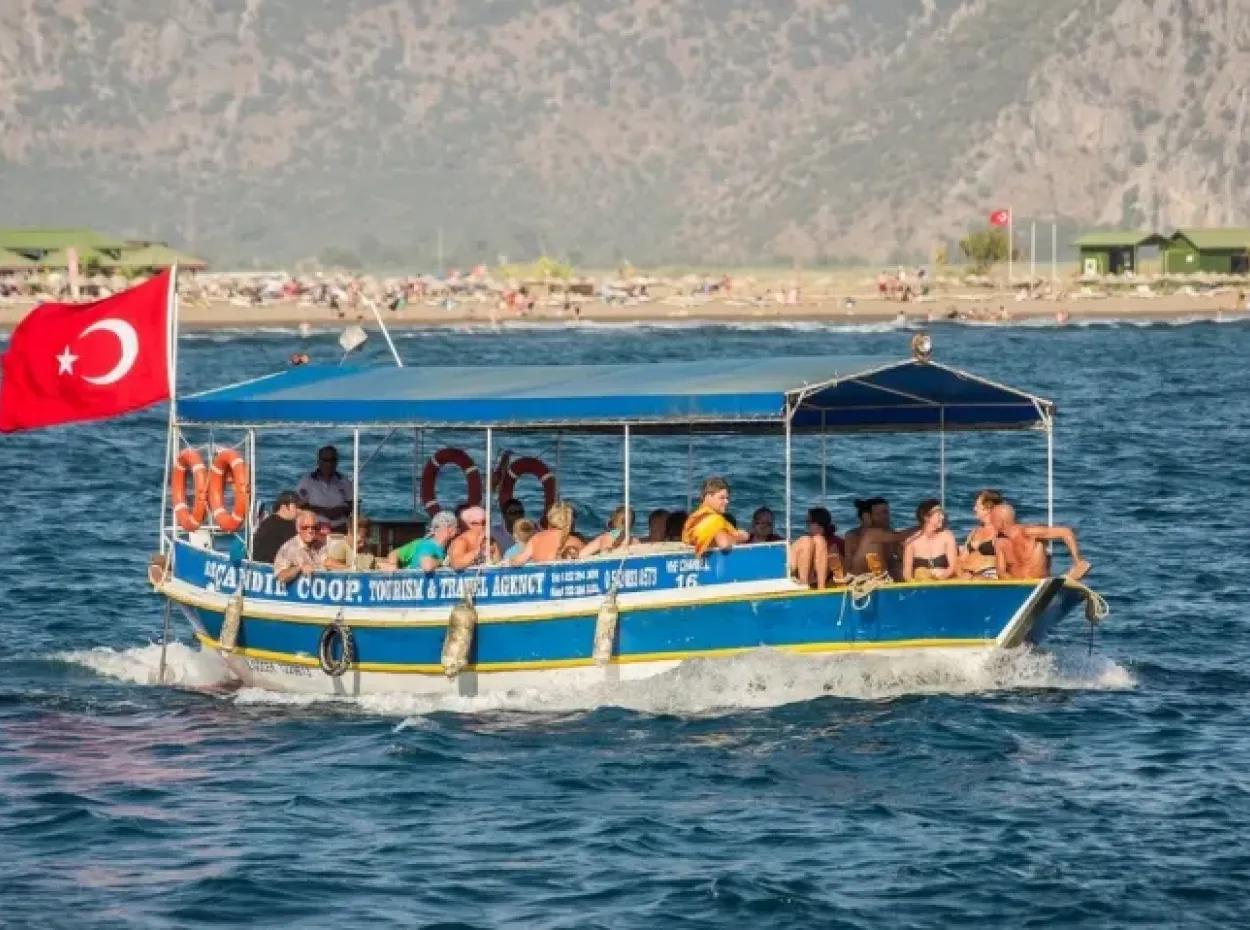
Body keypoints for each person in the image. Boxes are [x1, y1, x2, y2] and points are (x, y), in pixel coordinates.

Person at [993, 503, 1091, 581]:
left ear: (1000, 521)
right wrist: (1016, 583)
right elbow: (1001, 572)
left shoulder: (1028, 532)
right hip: (1020, 586)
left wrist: (1078, 561)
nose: (992, 523)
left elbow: (1066, 532)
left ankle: (1076, 570)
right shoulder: (1000, 543)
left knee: (1080, 567)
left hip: (1039, 583)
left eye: (993, 519)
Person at [682, 477, 749, 556]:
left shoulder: (696, 517)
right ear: (708, 496)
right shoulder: (714, 519)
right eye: (722, 498)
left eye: (727, 498)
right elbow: (724, 544)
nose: (727, 502)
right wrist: (741, 537)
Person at [296, 445, 354, 532]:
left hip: (340, 527)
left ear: (337, 462)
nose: (329, 464)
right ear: (318, 462)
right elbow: (299, 504)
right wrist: (323, 511)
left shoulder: (344, 481)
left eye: (332, 460)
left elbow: (352, 504)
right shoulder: (307, 481)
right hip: (316, 527)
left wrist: (340, 510)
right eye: (325, 460)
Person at [848, 498, 912, 576]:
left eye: (887, 512)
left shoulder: (888, 532)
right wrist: (924, 524)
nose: (885, 516)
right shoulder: (866, 534)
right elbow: (902, 536)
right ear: (867, 516)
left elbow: (899, 554)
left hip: (883, 574)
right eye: (879, 514)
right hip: (862, 578)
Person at [903, 499, 958, 581]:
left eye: (942, 514)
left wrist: (938, 579)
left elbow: (953, 567)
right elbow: (907, 574)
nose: (942, 517)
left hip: (944, 582)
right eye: (939, 514)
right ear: (926, 517)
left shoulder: (947, 537)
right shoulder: (911, 542)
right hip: (921, 585)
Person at [385, 511, 458, 572]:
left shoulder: (447, 548)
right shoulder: (425, 544)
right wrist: (441, 561)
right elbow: (427, 566)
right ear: (450, 530)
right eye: (455, 528)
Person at [511, 502, 580, 564]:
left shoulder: (536, 539)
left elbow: (518, 560)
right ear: (570, 522)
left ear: (549, 518)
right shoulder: (574, 541)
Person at [959, 489, 1008, 579]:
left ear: (988, 508)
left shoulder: (1001, 531)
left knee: (977, 579)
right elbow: (963, 558)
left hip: (990, 574)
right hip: (970, 574)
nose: (974, 509)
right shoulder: (974, 532)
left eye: (977, 506)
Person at [273, 510, 327, 584]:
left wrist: (346, 568)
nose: (310, 531)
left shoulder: (320, 545)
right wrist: (299, 568)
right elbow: (280, 577)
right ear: (298, 528)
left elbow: (326, 562)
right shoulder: (288, 548)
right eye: (305, 527)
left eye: (313, 527)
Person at [252, 490, 300, 564]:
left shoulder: (268, 521)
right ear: (284, 507)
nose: (298, 511)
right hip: (271, 565)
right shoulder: (285, 526)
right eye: (296, 507)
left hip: (259, 562)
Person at [446, 505, 492, 570]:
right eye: (475, 523)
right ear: (466, 525)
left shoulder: (490, 541)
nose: (481, 526)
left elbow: (497, 562)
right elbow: (456, 564)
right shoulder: (461, 541)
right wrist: (478, 551)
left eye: (484, 522)